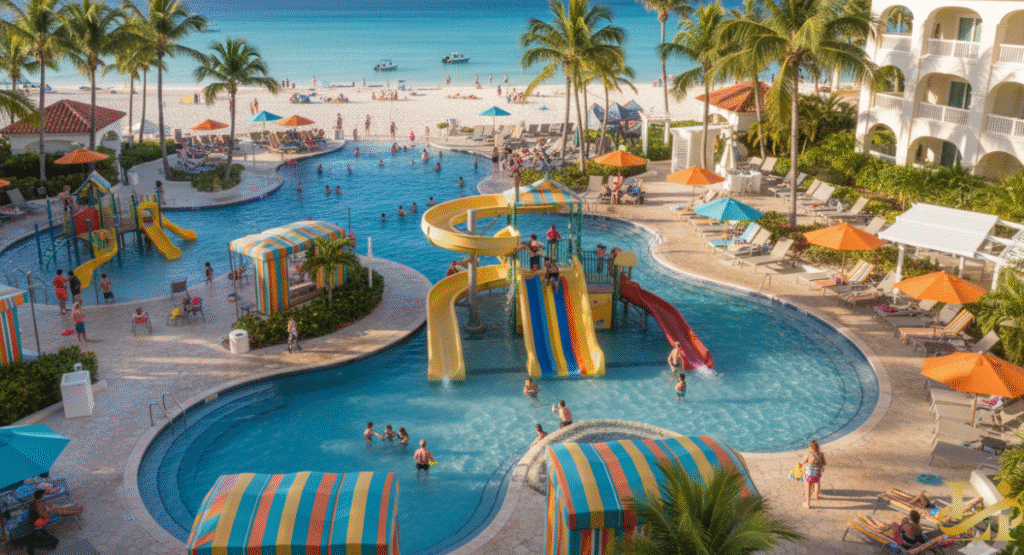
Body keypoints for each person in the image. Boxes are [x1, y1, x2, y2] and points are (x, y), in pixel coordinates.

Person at [799, 440, 826, 508]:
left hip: (809, 475)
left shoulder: (809, 453)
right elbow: (824, 463)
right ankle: (816, 496)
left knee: (807, 489)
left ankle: (807, 504)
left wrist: (799, 464)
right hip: (817, 475)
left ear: (810, 447)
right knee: (817, 483)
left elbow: (802, 462)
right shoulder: (821, 454)